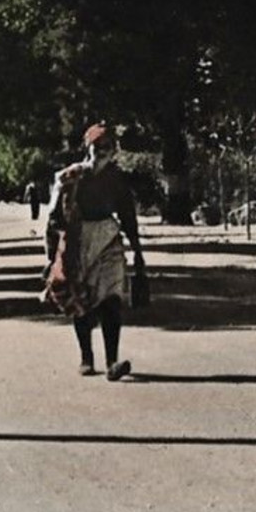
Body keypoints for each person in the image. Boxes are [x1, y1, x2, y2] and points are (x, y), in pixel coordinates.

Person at [42, 122, 148, 380]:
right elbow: (54, 219)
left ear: (113, 151)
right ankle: (86, 358)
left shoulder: (117, 180)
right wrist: (51, 256)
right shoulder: (69, 178)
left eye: (106, 148)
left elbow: (127, 216)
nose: (100, 152)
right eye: (96, 147)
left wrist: (137, 252)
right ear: (86, 148)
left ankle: (113, 361)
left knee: (112, 298)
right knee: (82, 302)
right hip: (78, 241)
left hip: (109, 239)